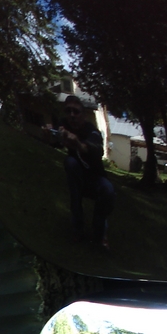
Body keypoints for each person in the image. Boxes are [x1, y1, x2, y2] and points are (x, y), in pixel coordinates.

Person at [55, 95, 114, 250]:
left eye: (76, 111)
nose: (72, 115)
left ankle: (100, 234)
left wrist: (79, 144)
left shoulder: (92, 131)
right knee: (70, 163)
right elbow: (56, 139)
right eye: (68, 111)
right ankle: (78, 229)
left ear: (84, 115)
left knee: (108, 191)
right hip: (77, 177)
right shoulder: (64, 125)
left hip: (95, 178)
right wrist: (50, 134)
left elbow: (97, 150)